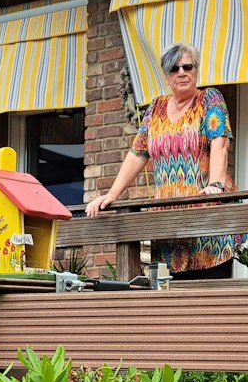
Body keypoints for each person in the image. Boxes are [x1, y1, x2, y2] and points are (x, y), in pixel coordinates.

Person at [86, 43, 237, 280]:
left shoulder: (209, 99)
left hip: (206, 221)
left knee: (208, 307)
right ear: (166, 76)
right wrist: (112, 194)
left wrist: (216, 186)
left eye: (187, 66)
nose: (182, 73)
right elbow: (137, 153)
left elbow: (220, 142)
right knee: (169, 306)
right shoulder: (155, 108)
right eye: (174, 69)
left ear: (196, 71)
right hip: (167, 226)